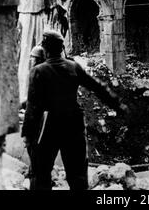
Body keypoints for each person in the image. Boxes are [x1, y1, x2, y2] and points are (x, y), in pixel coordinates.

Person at [21, 30, 129, 190]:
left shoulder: (38, 71)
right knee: (77, 174)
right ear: (61, 47)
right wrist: (118, 105)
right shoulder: (73, 66)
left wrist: (28, 135)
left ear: (45, 49)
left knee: (40, 173)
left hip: (49, 125)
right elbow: (98, 87)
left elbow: (33, 107)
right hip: (73, 124)